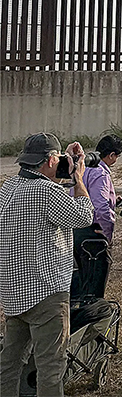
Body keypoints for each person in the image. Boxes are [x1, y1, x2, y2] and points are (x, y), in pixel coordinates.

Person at [0, 133, 94, 397]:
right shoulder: (47, 192)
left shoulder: (8, 187)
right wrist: (78, 177)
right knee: (51, 366)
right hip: (45, 292)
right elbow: (85, 215)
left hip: (13, 292)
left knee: (9, 363)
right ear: (52, 160)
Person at [71, 134, 122, 298]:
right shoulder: (101, 173)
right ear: (111, 155)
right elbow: (101, 207)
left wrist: (113, 200)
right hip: (93, 234)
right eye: (117, 156)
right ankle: (92, 318)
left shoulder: (83, 168)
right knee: (95, 286)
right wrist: (107, 235)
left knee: (81, 281)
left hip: (77, 230)